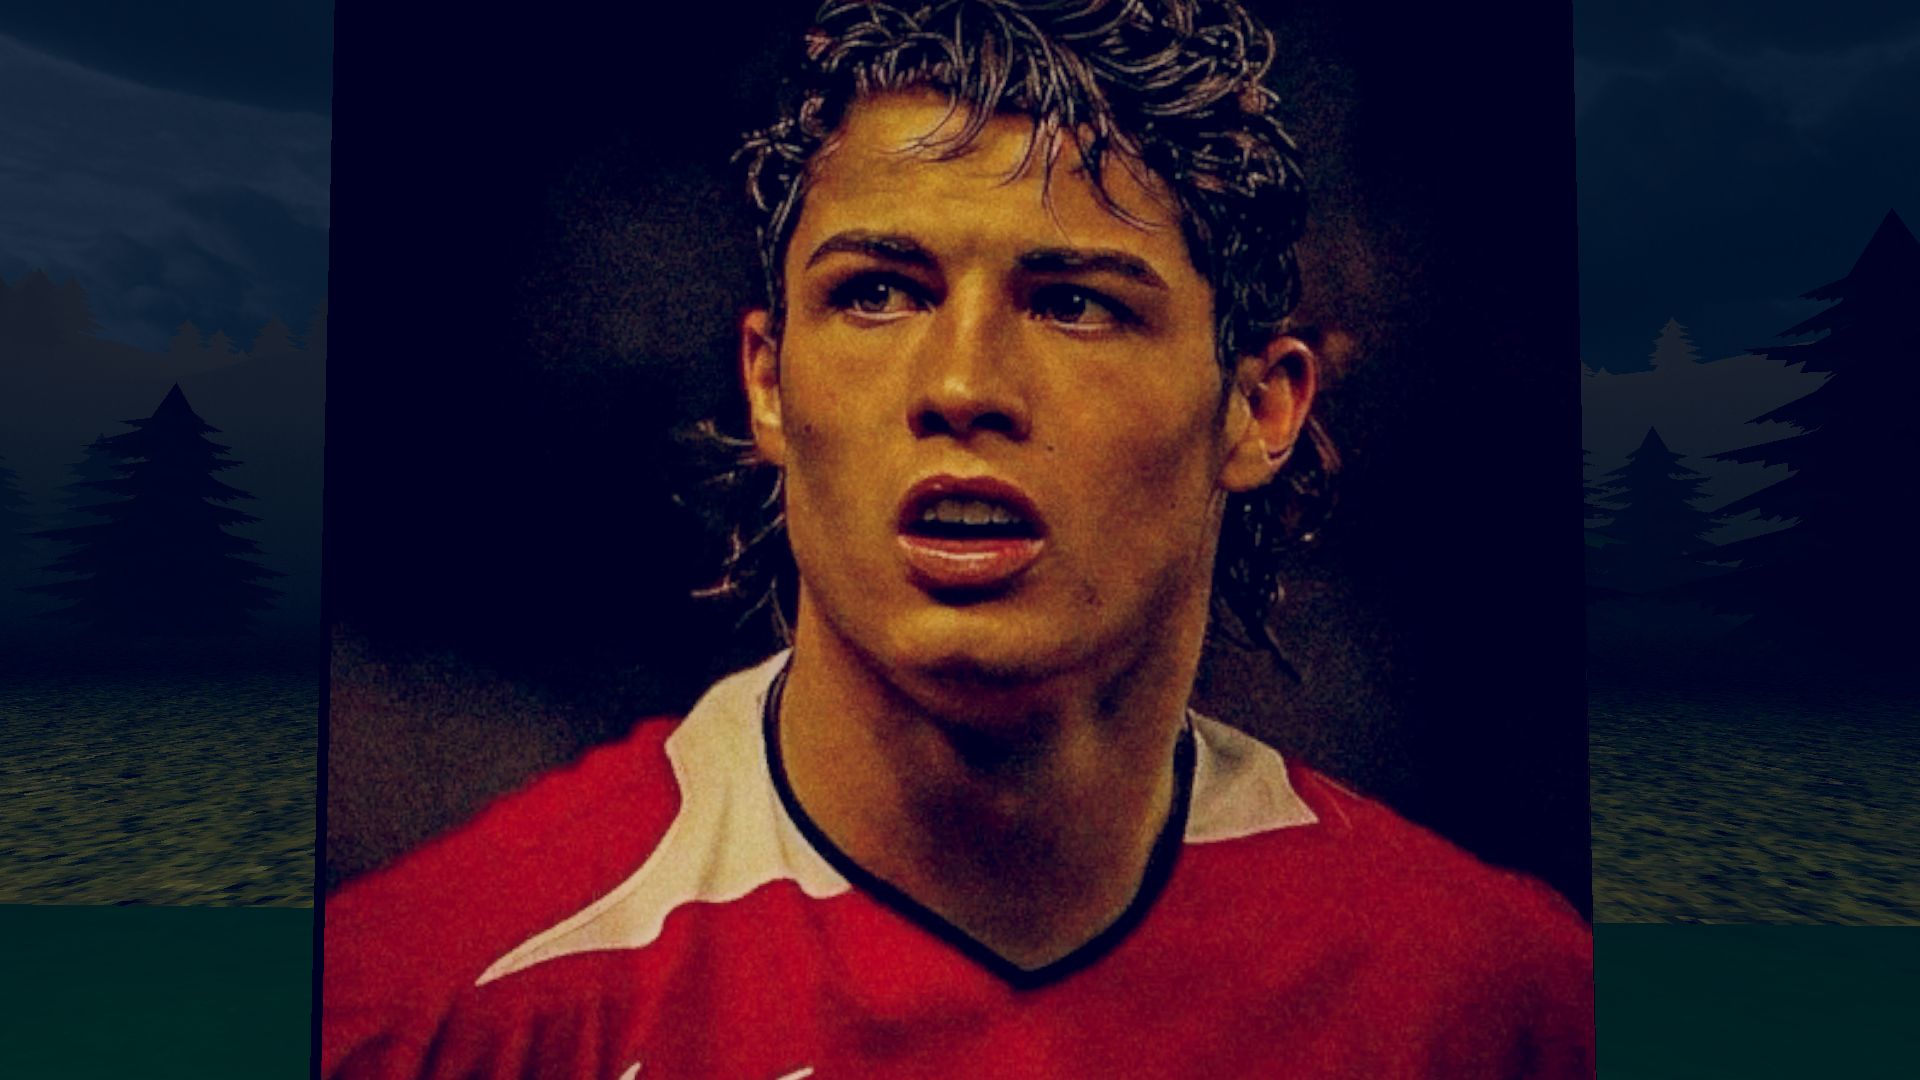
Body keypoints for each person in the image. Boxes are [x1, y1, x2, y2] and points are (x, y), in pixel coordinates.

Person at [320, 2, 1593, 1076]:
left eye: (1074, 303)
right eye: (877, 293)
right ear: (768, 383)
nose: (963, 384)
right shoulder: (429, 1010)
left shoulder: (1492, 1002)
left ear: (1260, 407)